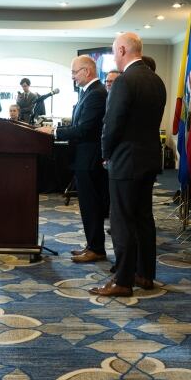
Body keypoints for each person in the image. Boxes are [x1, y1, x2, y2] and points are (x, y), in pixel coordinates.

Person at [90, 32, 166, 297]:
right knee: (144, 218)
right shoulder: (156, 81)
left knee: (122, 221)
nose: (114, 57)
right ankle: (145, 275)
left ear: (122, 50)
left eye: (114, 51)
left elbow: (112, 125)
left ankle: (122, 281)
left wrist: (105, 154)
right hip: (149, 160)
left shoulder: (125, 81)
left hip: (124, 161)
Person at [38, 55, 109, 263]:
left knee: (92, 206)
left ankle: (97, 249)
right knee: (87, 206)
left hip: (90, 159)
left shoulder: (97, 94)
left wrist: (54, 132)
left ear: (87, 71)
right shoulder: (90, 92)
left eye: (74, 72)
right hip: (83, 158)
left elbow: (85, 129)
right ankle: (92, 245)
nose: (72, 77)